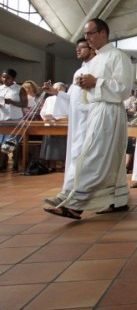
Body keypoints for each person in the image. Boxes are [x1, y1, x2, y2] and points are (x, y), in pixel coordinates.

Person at [43, 18, 133, 219]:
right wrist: (86, 85)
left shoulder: (118, 56)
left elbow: (125, 90)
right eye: (85, 34)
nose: (87, 38)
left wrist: (96, 82)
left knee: (92, 158)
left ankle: (75, 204)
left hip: (109, 111)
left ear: (103, 33)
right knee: (106, 160)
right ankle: (116, 200)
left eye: (91, 33)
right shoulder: (96, 59)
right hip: (94, 110)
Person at [42, 39, 96, 207]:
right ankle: (68, 192)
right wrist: (56, 93)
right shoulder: (78, 71)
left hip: (90, 120)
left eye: (82, 47)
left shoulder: (98, 68)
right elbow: (73, 99)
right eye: (76, 48)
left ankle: (74, 195)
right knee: (74, 156)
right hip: (77, 122)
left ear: (92, 48)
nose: (77, 50)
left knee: (83, 158)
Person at [0, 68, 27, 171]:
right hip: (1, 118)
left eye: (8, 78)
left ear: (13, 78)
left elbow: (24, 104)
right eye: (3, 77)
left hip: (14, 119)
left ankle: (16, 164)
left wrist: (10, 101)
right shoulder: (0, 88)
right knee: (1, 143)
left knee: (12, 143)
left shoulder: (19, 89)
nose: (5, 79)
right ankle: (3, 164)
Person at [39, 82, 68, 165]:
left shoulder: (68, 98)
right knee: (50, 147)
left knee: (63, 146)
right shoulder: (49, 99)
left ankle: (63, 164)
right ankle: (51, 165)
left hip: (63, 125)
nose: (57, 90)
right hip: (50, 125)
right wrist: (46, 117)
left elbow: (70, 113)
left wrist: (56, 118)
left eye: (60, 89)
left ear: (64, 89)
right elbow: (43, 112)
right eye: (56, 88)